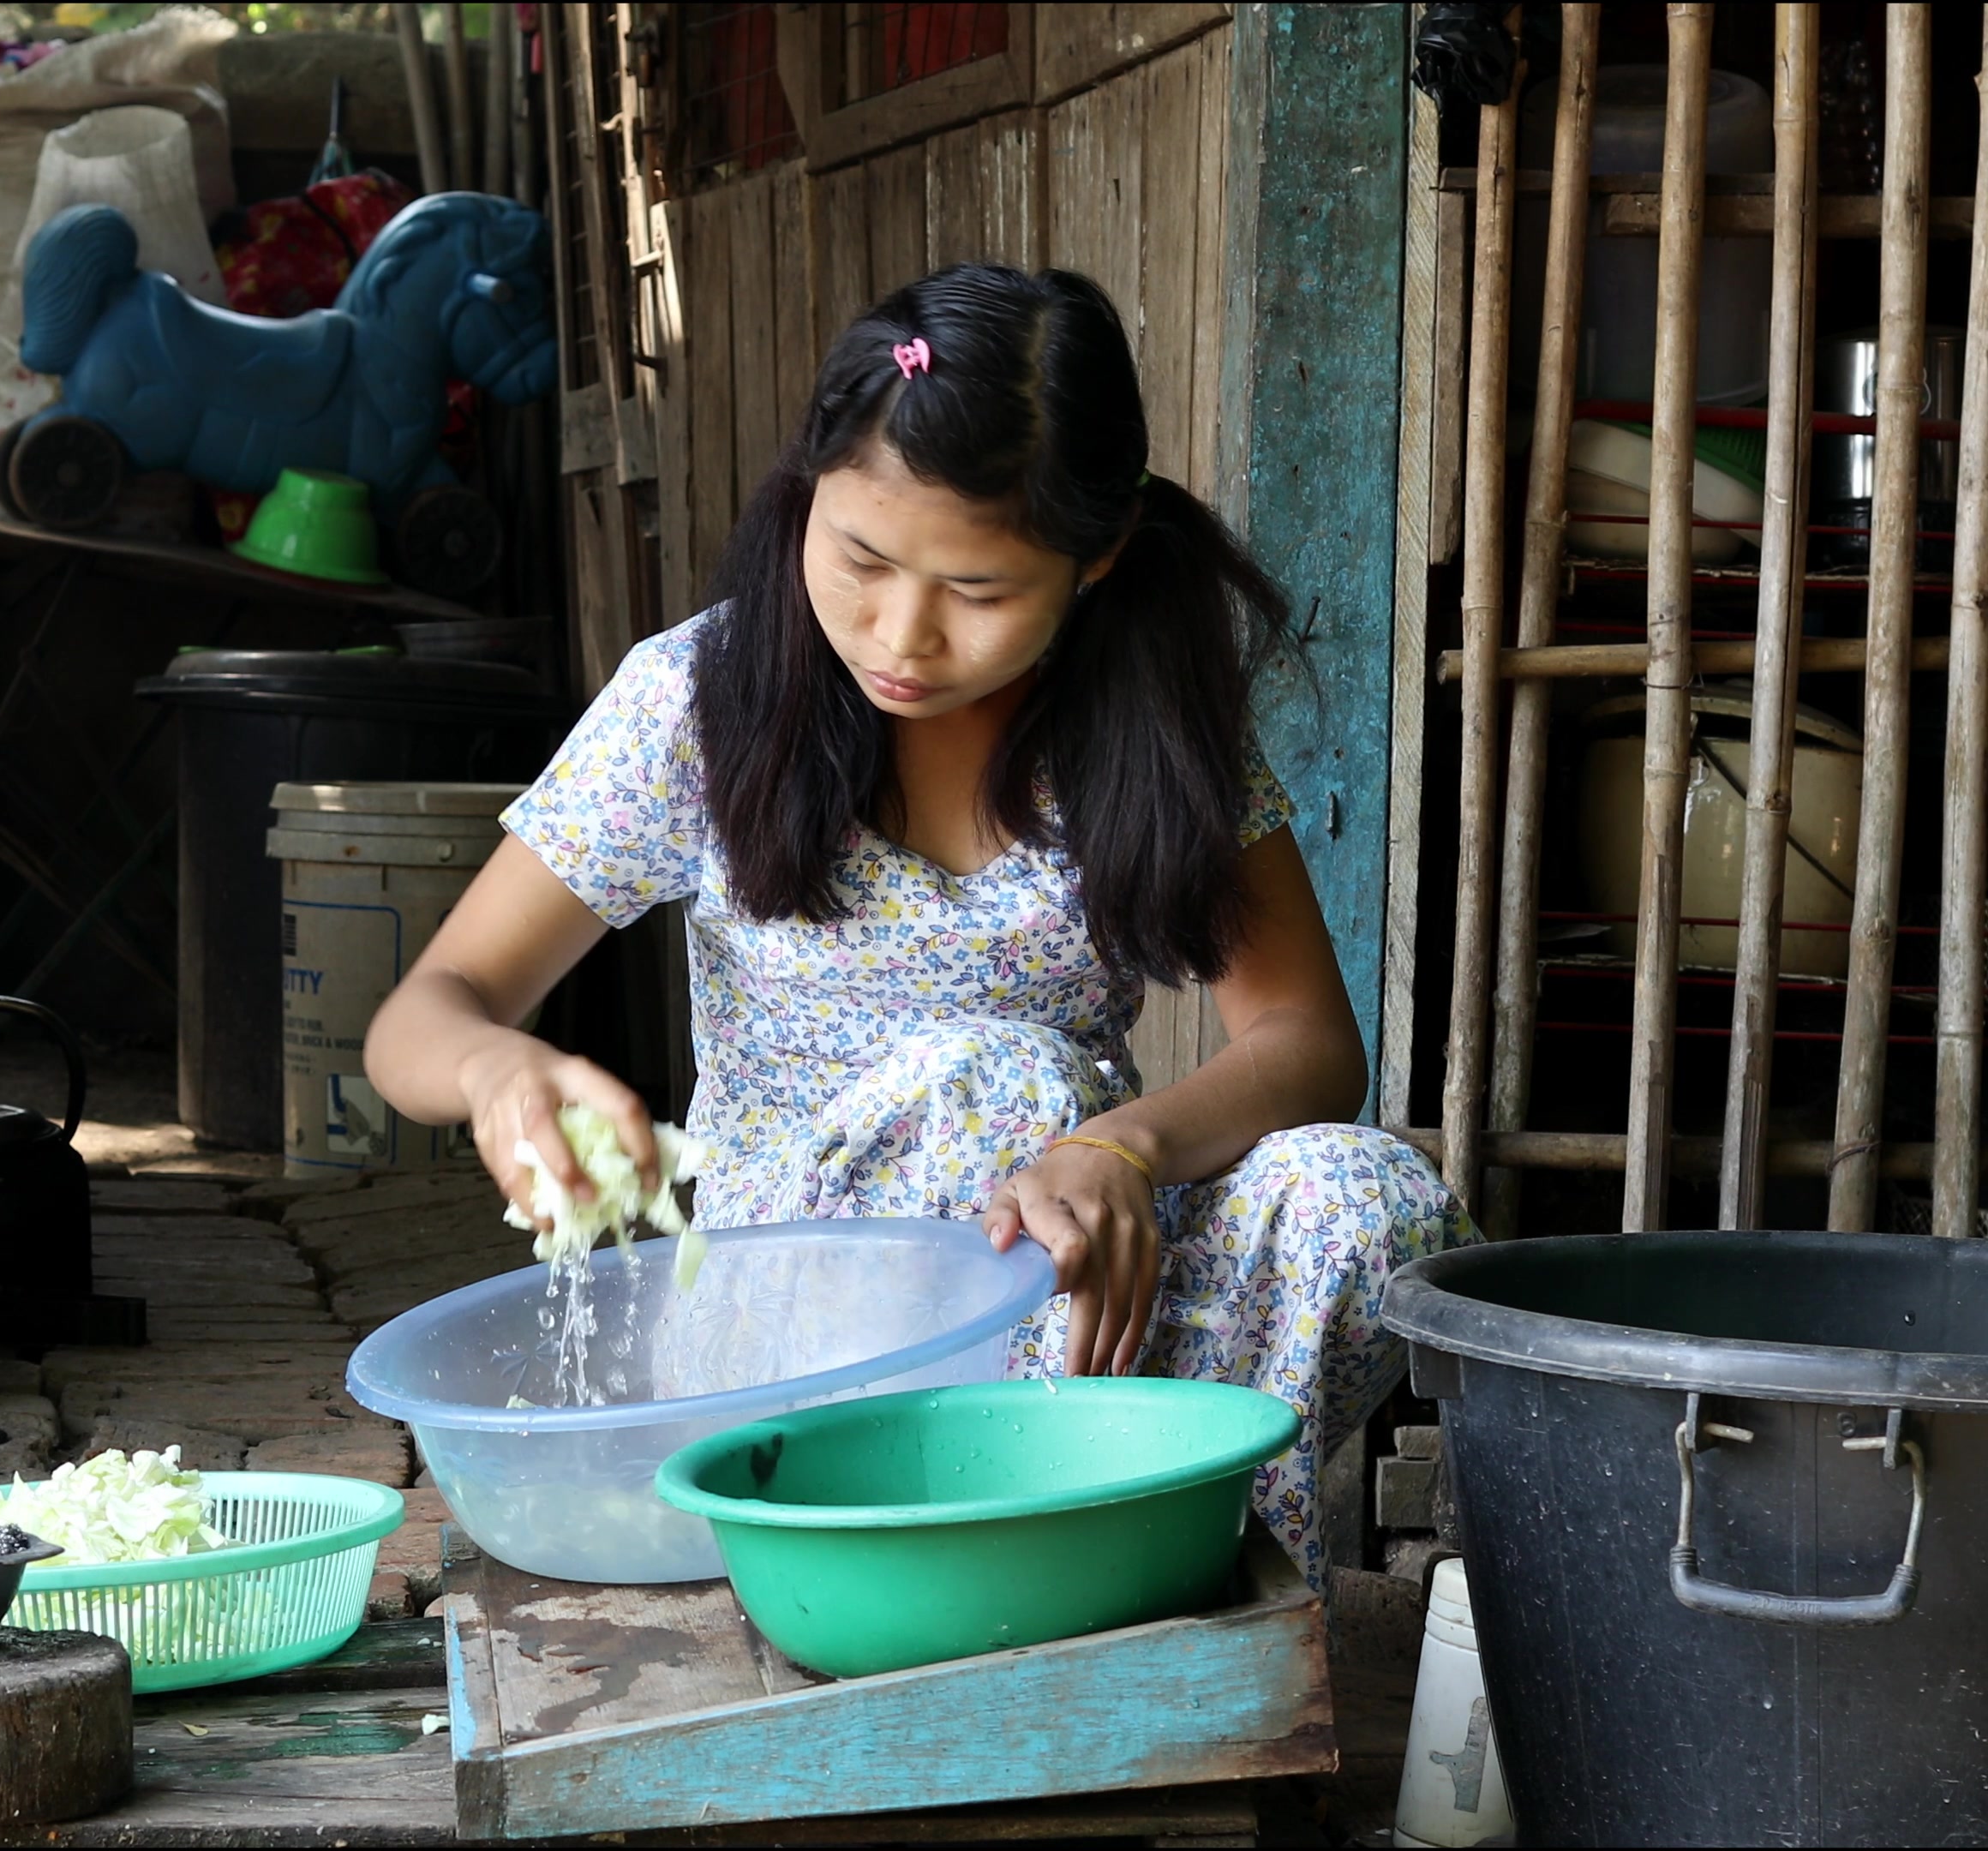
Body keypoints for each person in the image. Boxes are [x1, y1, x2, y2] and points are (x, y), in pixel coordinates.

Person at [365, 263, 1475, 1584]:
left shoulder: (1151, 725)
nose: (902, 633)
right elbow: (423, 1014)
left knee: (1364, 1193)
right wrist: (500, 1069)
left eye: (981, 591)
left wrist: (1120, 1148)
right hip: (792, 1336)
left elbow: (1305, 1042)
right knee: (996, 1074)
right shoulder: (696, 707)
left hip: (1066, 1290)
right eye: (862, 559)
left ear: (1096, 563)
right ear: (807, 495)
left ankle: (1164, 1565)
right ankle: (946, 1555)